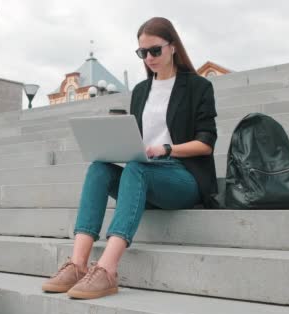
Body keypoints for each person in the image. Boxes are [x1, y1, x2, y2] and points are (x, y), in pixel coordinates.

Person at [42, 17, 219, 299]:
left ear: (172, 47)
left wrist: (167, 149)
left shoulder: (198, 87)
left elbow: (206, 143)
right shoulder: (140, 91)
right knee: (99, 168)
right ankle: (77, 265)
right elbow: (136, 142)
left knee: (137, 168)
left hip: (182, 178)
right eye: (143, 53)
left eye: (155, 50)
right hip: (145, 174)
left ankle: (108, 270)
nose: (149, 58)